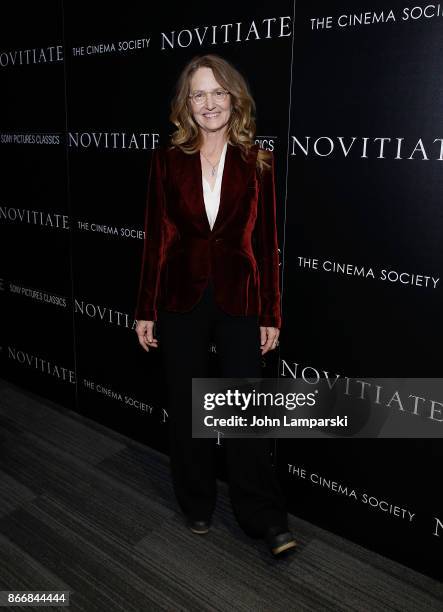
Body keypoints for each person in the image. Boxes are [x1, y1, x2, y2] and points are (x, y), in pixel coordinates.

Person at [134, 54, 296, 557]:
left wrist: (270, 312)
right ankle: (197, 502)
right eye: (198, 94)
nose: (209, 103)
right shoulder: (166, 160)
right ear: (187, 103)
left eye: (218, 92)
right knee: (187, 407)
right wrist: (145, 307)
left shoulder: (259, 160)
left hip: (239, 298)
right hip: (181, 297)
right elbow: (155, 240)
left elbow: (266, 244)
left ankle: (264, 519)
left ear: (234, 99)